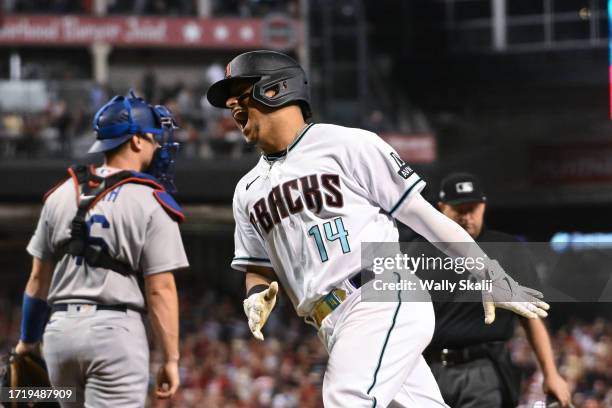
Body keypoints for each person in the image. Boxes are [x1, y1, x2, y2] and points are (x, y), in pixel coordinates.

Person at [206, 50, 549, 407]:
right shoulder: (246, 190)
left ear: (275, 90)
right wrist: (255, 295)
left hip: (380, 293)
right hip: (331, 323)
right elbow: (257, 269)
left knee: (346, 398)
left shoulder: (348, 144)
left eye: (241, 94)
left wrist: (485, 270)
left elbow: (427, 219)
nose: (232, 106)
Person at [14, 92, 189, 407]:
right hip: (114, 335)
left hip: (59, 336)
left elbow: (38, 280)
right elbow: (161, 289)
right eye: (153, 138)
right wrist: (171, 359)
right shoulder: (150, 199)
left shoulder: (60, 193)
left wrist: (27, 342)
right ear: (136, 141)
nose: (158, 145)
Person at [420, 172, 572, 408]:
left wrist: (550, 372)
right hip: (425, 369)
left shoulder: (507, 249)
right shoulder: (419, 251)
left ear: (483, 206)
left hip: (483, 369)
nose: (466, 216)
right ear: (442, 208)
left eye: (473, 208)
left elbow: (531, 317)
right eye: (458, 209)